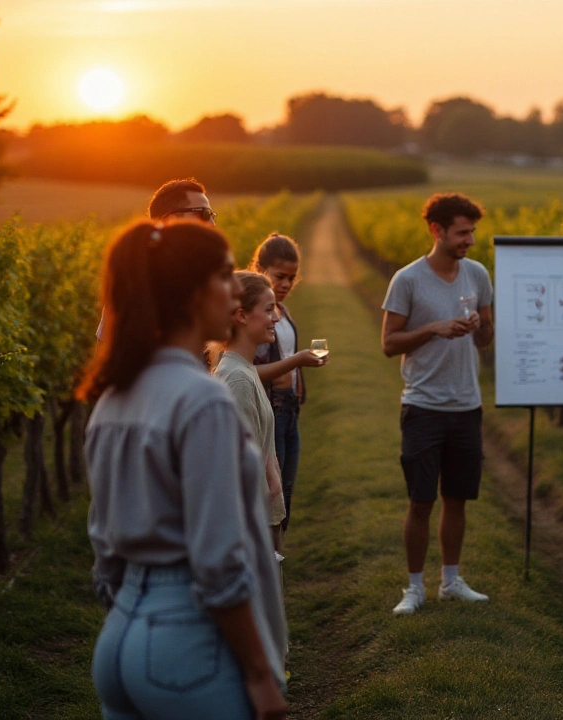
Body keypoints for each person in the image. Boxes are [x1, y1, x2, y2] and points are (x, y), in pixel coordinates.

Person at [82, 220, 287, 719]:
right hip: (190, 640)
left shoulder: (113, 396)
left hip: (120, 635)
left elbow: (102, 547)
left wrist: (133, 621)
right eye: (223, 276)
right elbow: (218, 561)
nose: (237, 289)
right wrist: (261, 672)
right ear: (191, 293)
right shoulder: (204, 400)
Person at [381, 192, 494, 616]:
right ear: (437, 230)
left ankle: (450, 580)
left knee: (458, 498)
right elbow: (389, 344)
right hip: (423, 404)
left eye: (472, 232)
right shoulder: (407, 280)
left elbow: (485, 338)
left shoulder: (478, 275)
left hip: (466, 403)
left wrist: (481, 327)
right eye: (463, 233)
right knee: (421, 499)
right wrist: (434, 328)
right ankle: (414, 588)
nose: (470, 240)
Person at [251, 234, 327, 533]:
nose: (285, 284)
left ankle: (276, 563)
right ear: (260, 269)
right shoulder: (255, 316)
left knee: (286, 493)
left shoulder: (282, 311)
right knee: (270, 495)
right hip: (269, 412)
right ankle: (266, 565)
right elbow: (246, 371)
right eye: (279, 276)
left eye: (291, 278)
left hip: (289, 412)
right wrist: (296, 361)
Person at [215, 271, 288, 552]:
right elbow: (241, 471)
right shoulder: (238, 379)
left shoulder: (244, 370)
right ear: (241, 315)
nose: (276, 318)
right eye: (269, 310)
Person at [95, 178, 218, 341]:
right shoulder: (134, 286)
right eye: (204, 213)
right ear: (170, 219)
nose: (212, 223)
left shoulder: (208, 279)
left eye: (211, 215)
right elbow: (107, 357)